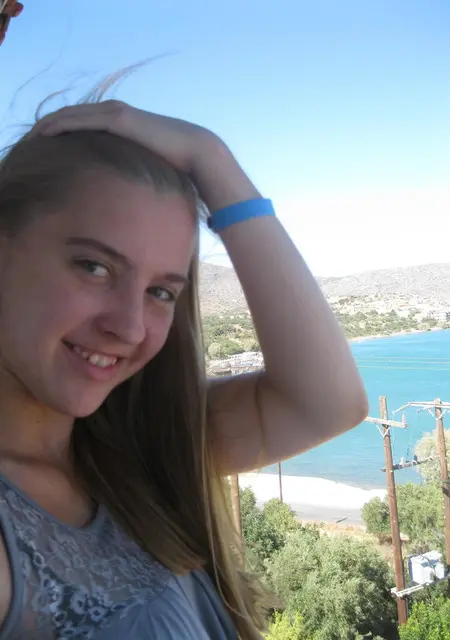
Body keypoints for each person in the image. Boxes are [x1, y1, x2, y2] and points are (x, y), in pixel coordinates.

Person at [0, 97, 368, 639]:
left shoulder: (137, 449)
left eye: (161, 291)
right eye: (94, 266)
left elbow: (327, 405)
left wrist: (211, 158)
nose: (129, 327)